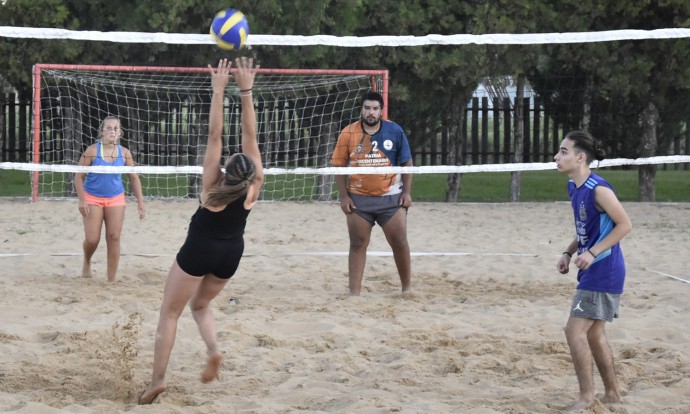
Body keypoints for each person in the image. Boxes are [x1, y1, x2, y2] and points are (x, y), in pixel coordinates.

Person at [139, 57, 262, 405]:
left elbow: (214, 134)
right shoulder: (255, 186)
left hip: (199, 249)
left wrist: (218, 90)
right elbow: (250, 135)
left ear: (226, 169)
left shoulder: (212, 185)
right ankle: (214, 350)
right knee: (200, 305)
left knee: (170, 314)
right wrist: (246, 91)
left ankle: (157, 381)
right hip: (231, 253)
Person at [554, 130, 632, 411]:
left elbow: (625, 225)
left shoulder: (598, 189)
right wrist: (569, 251)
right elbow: (586, 230)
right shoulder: (574, 187)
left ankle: (587, 397)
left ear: (580, 157)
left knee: (574, 331)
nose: (557, 156)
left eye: (563, 151)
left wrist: (593, 253)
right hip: (592, 267)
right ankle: (612, 394)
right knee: (594, 334)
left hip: (605, 269)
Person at [331, 91, 413, 296]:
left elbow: (407, 163)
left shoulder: (394, 131)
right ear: (361, 109)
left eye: (375, 108)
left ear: (381, 111)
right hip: (359, 201)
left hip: (391, 199)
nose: (370, 112)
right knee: (357, 244)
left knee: (400, 241)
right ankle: (355, 294)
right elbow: (339, 166)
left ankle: (407, 289)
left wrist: (407, 193)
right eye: (367, 108)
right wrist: (344, 196)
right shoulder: (348, 133)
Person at [74, 116, 145, 282]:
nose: (112, 131)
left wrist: (140, 202)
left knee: (114, 237)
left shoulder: (125, 153)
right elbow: (78, 176)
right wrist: (82, 200)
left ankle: (111, 280)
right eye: (109, 128)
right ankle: (87, 261)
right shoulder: (92, 151)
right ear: (102, 131)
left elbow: (133, 178)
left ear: (120, 133)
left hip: (115, 199)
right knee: (92, 239)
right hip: (92, 198)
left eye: (115, 128)